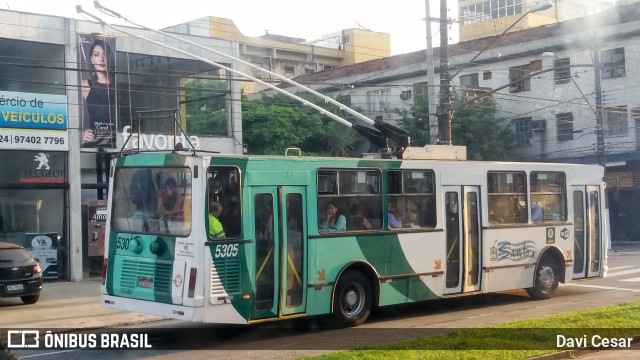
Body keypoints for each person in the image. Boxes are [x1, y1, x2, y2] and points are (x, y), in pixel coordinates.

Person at [81, 38, 116, 147]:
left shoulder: (117, 85)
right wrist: (81, 135)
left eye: (104, 55)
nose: (101, 59)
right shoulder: (84, 85)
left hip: (117, 142)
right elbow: (73, 114)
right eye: (97, 55)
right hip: (93, 143)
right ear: (91, 59)